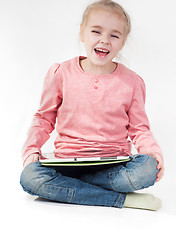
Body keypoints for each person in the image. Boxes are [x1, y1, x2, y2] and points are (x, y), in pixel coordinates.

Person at [20, 0, 164, 211]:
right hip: (67, 164)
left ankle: (71, 191)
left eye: (114, 35)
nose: (104, 40)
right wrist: (31, 149)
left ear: (122, 42)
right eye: (96, 31)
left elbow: (139, 128)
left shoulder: (133, 82)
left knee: (147, 169)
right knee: (30, 177)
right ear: (82, 33)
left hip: (113, 167)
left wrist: (153, 152)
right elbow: (44, 118)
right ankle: (122, 199)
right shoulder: (61, 73)